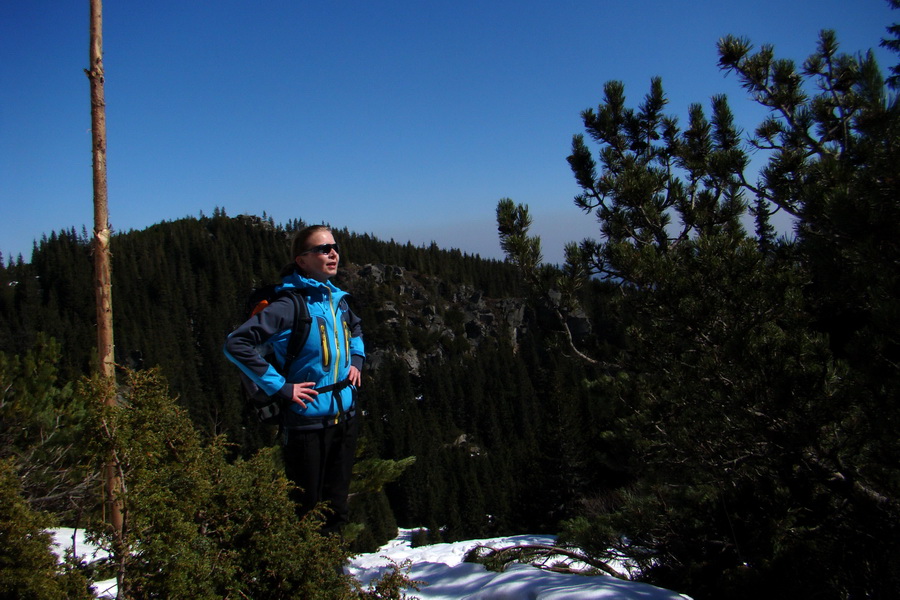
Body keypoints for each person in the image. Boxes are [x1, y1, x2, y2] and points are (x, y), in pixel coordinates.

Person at [223, 225, 364, 535]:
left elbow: (355, 329)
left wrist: (357, 360)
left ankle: (332, 573)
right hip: (305, 423)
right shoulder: (289, 306)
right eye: (322, 249)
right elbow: (236, 344)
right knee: (307, 507)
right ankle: (306, 574)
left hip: (345, 416)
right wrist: (281, 387)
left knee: (337, 505)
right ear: (301, 260)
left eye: (334, 246)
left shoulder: (337, 300)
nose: (332, 253)